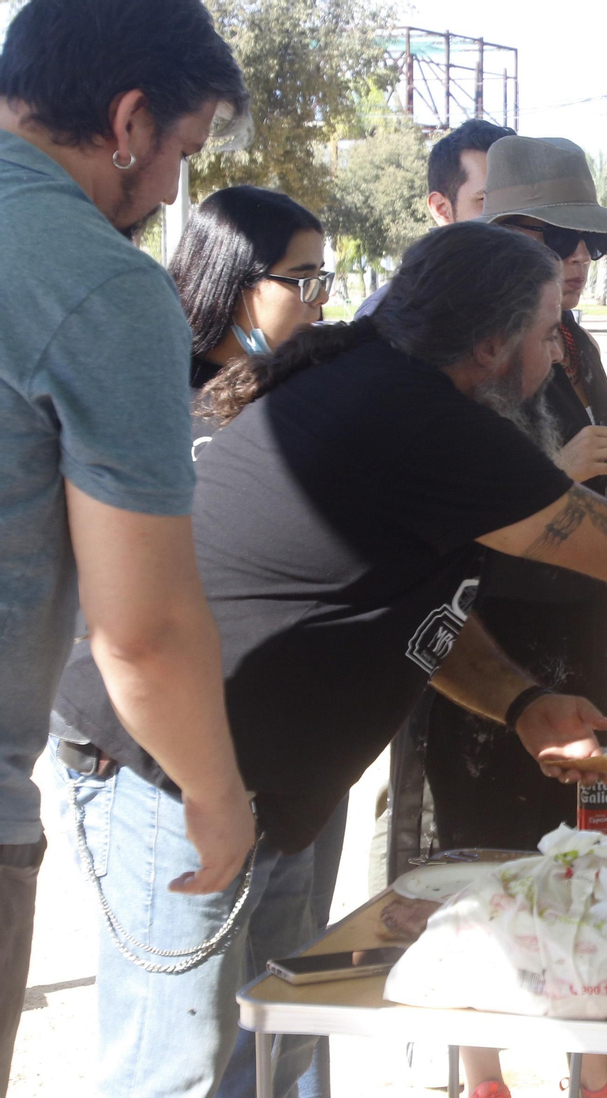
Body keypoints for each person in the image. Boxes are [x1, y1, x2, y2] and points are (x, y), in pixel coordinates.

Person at [49, 221, 607, 1098]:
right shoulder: (415, 413)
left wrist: (520, 701)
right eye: (548, 331)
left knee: (272, 1051)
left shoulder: (415, 402)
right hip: (171, 769)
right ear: (492, 342)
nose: (557, 349)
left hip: (261, 777)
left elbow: (421, 609)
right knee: (181, 1072)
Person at [0, 2, 253, 1090]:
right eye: (182, 156)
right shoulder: (96, 279)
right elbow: (140, 632)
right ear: (131, 121)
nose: (165, 197)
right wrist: (217, 797)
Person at [431, 134, 607, 1098]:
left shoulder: (577, 343)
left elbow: (595, 505)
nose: (576, 260)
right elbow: (454, 522)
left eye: (587, 242)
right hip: (490, 650)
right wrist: (563, 475)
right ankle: (483, 1078)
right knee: (487, 869)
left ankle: (595, 1070)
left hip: (586, 631)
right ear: (498, 236)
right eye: (554, 239)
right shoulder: (450, 353)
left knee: (594, 853)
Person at [162, 184, 341, 1098]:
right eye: (302, 280)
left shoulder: (315, 396)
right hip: (186, 767)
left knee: (291, 1016)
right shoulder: (156, 397)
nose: (319, 301)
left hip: (301, 756)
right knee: (192, 1050)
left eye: (324, 279)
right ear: (234, 285)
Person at [353, 117, 513, 319]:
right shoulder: (392, 317)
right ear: (442, 210)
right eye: (487, 200)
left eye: (522, 200)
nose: (514, 214)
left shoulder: (547, 306)